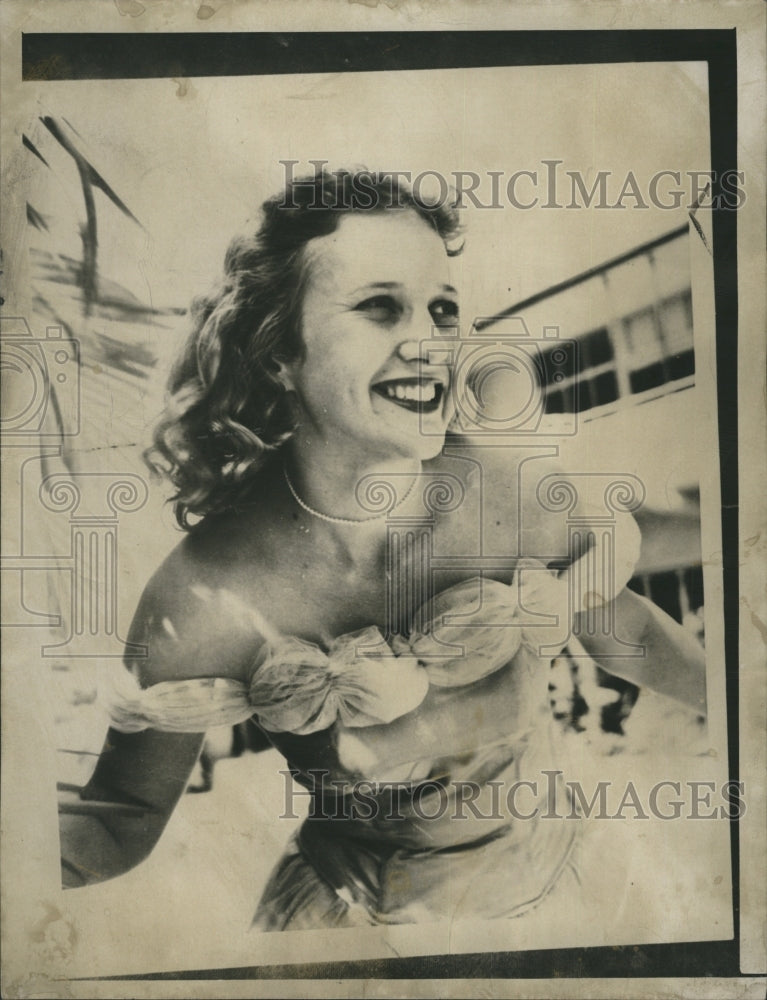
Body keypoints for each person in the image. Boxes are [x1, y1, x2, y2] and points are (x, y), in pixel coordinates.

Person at [58, 169, 707, 930]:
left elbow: (621, 631)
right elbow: (117, 820)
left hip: (562, 896)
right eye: (379, 307)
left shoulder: (503, 493)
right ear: (278, 353)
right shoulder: (205, 591)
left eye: (442, 310)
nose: (429, 343)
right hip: (350, 927)